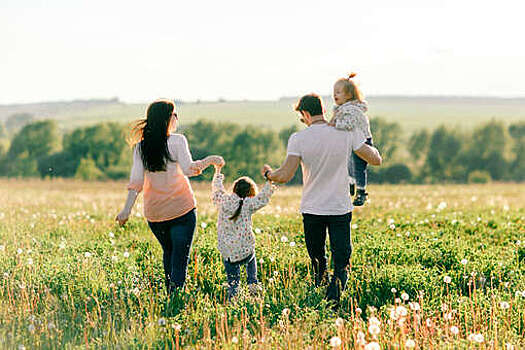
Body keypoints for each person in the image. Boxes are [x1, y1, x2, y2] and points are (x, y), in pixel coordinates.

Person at [261, 93, 381, 305]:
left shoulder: (298, 139)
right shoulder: (346, 133)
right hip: (339, 208)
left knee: (318, 260)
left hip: (312, 209)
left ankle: (322, 299)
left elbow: (285, 175)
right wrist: (368, 143)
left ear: (305, 114)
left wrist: (269, 174)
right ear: (323, 110)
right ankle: (334, 299)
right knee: (342, 259)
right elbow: (375, 159)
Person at [116, 99, 224, 295]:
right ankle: (175, 300)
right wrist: (210, 160)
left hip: (155, 214)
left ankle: (170, 295)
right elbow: (189, 170)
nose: (176, 118)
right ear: (167, 119)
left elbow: (136, 183)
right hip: (182, 209)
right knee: (179, 259)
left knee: (170, 254)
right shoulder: (177, 141)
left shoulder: (141, 148)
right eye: (174, 114)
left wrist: (126, 211)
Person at [211, 164, 274, 300]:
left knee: (233, 282)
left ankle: (233, 298)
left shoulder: (223, 200)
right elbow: (262, 198)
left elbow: (217, 189)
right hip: (245, 251)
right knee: (251, 255)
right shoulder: (248, 204)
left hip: (228, 252)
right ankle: (252, 283)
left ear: (234, 188)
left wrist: (218, 172)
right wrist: (269, 180)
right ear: (250, 193)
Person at [329, 73, 373, 206]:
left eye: (338, 92)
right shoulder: (341, 109)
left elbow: (349, 125)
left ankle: (361, 191)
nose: (334, 95)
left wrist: (334, 124)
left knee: (358, 166)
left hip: (362, 141)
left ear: (348, 95)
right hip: (352, 141)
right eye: (334, 92)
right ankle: (351, 184)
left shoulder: (352, 110)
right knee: (348, 164)